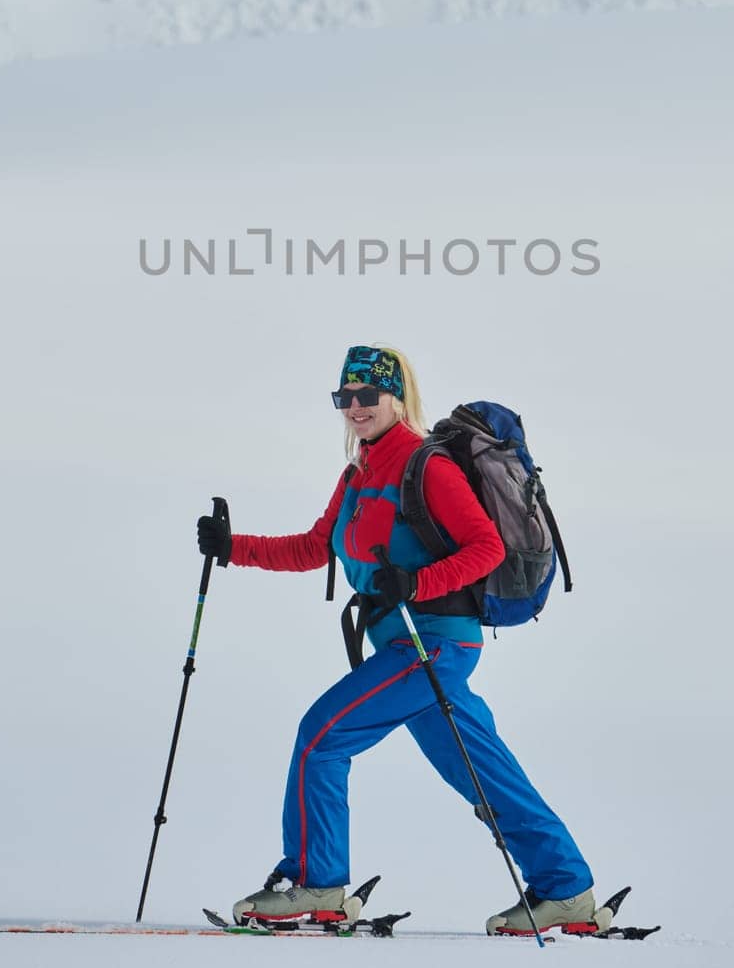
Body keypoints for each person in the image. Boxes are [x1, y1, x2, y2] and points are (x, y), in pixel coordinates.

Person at [197, 343, 602, 935]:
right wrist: (233, 548)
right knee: (481, 768)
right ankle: (566, 888)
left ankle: (318, 884)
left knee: (321, 739)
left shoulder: (427, 466)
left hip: (432, 644)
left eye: (368, 395)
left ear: (396, 397)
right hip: (406, 647)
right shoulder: (360, 471)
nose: (355, 406)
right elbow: (316, 547)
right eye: (345, 397)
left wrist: (414, 582)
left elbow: (485, 548)